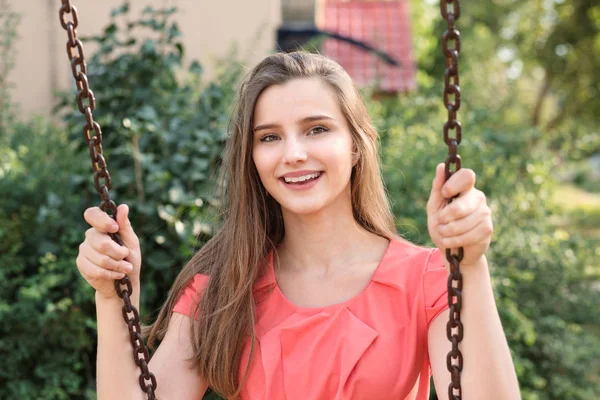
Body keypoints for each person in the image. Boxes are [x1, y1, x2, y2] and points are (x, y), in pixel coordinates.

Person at [76, 51, 520, 400]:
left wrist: (472, 267)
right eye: (269, 137)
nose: (293, 154)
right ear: (252, 159)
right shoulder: (223, 288)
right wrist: (113, 297)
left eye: (316, 129)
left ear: (356, 145)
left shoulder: (426, 280)